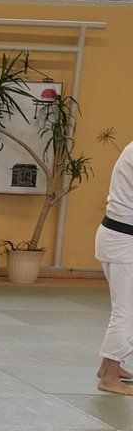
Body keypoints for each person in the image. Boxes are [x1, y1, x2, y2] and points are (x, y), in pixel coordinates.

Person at [95, 138, 133, 396]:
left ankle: (111, 366)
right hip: (123, 240)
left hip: (119, 237)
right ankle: (109, 375)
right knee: (126, 313)